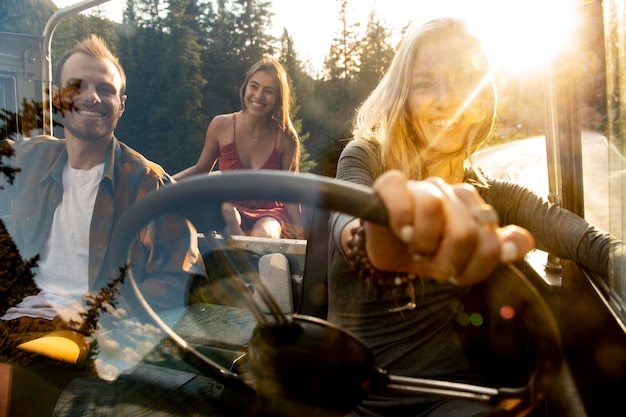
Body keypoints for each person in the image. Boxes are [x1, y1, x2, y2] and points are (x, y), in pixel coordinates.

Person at [328, 17, 618, 416]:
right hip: (348, 393)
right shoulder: (365, 158)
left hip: (451, 398)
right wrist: (379, 238)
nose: (447, 99)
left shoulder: (494, 197)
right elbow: (347, 225)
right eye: (425, 83)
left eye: (462, 80)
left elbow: (589, 243)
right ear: (402, 96)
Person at [0, 34, 205, 361]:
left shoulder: (146, 183)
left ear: (121, 105)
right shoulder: (31, 159)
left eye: (106, 89)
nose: (91, 97)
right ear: (56, 98)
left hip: (86, 335)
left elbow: (183, 278)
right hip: (17, 311)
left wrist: (91, 304)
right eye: (77, 86)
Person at [173, 56, 303, 239]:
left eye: (268, 91)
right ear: (245, 87)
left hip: (270, 214)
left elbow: (290, 193)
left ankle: (246, 256)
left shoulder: (286, 138)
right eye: (254, 86)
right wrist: (165, 184)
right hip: (230, 210)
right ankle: (245, 256)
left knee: (266, 233)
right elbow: (201, 169)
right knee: (226, 211)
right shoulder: (221, 126)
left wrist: (302, 237)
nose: (258, 96)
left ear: (278, 98)